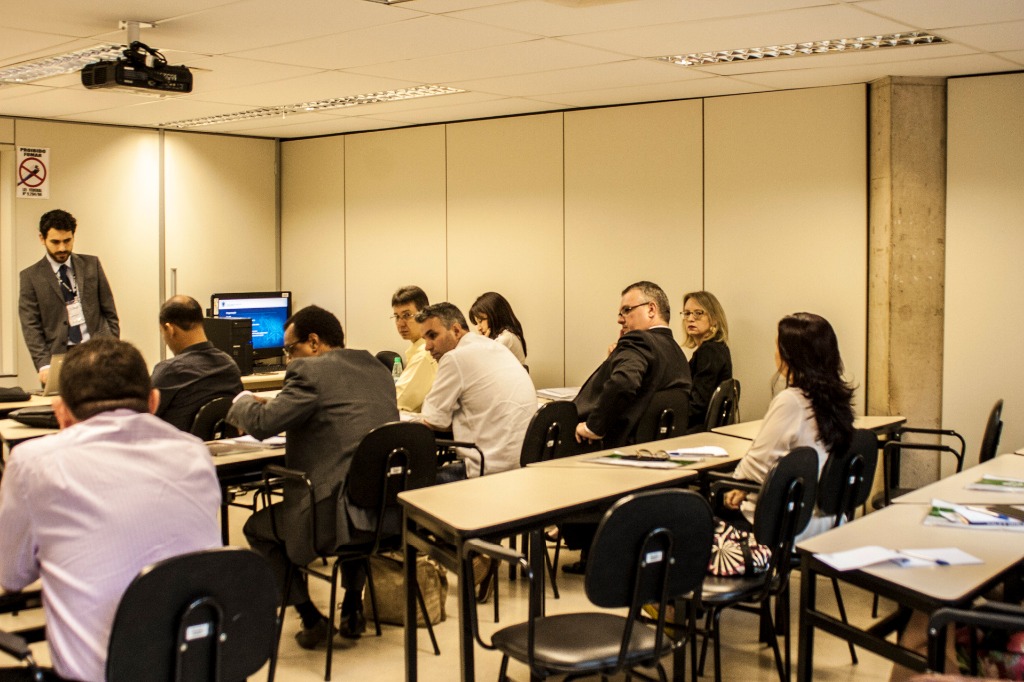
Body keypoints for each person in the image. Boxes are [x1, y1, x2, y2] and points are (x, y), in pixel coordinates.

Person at [0, 337, 221, 682]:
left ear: (60, 411)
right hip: (198, 668)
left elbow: (10, 576)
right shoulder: (195, 452)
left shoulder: (32, 462)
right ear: (153, 401)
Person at [226, 305, 398, 648]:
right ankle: (351, 607)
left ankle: (310, 616)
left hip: (334, 518)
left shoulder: (310, 372)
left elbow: (262, 425)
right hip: (386, 514)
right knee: (354, 490)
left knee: (257, 529)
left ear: (314, 342)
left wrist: (243, 397)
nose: (290, 359)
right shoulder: (376, 368)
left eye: (291, 349)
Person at [723, 312, 855, 540]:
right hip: (827, 516)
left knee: (705, 505)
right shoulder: (835, 399)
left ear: (790, 356)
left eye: (778, 347)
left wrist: (737, 486)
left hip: (786, 521)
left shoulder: (791, 401)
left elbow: (755, 465)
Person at [415, 302, 536, 479]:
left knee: (406, 484)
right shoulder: (496, 347)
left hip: (487, 474)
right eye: (424, 339)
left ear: (456, 331)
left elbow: (433, 421)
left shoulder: (454, 358)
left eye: (432, 336)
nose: (427, 346)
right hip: (524, 468)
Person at [573, 280, 692, 448]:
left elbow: (624, 382)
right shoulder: (677, 353)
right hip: (652, 451)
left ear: (651, 309)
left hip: (601, 445)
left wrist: (593, 427)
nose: (620, 320)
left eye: (626, 310)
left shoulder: (638, 340)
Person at [18, 209, 120, 387]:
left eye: (67, 240)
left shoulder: (91, 265)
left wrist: (112, 344)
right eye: (55, 242)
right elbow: (30, 325)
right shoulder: (31, 277)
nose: (62, 248)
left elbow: (109, 310)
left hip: (97, 351)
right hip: (58, 358)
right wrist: (43, 364)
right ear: (42, 239)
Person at [151, 295, 244, 432]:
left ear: (170, 329)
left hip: (179, 450)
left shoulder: (169, 371)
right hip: (223, 451)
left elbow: (142, 419)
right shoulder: (229, 365)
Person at [681, 291, 733, 432]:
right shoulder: (717, 348)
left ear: (714, 319)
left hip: (697, 432)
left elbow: (698, 405)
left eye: (698, 313)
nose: (691, 318)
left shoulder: (709, 351)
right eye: (687, 313)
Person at [391, 285, 438, 412]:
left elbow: (396, 403)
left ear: (424, 315)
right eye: (397, 317)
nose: (400, 324)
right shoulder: (418, 350)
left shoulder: (425, 355)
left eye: (407, 315)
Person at [469, 291, 528, 365]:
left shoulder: (506, 338)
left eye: (480, 321)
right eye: (477, 323)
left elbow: (480, 365)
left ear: (494, 316)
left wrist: (483, 342)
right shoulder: (504, 336)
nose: (479, 328)